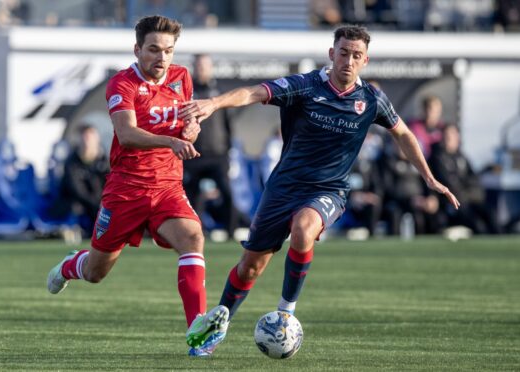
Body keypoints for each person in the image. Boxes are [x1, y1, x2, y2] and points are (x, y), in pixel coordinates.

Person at [179, 25, 460, 355]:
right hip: (283, 187)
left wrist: (427, 176)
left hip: (328, 190)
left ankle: (286, 313)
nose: (349, 61)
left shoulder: (371, 99)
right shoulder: (305, 86)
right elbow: (254, 92)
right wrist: (214, 103)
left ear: (365, 60)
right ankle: (219, 321)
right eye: (343, 53)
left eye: (356, 56)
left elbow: (402, 133)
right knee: (250, 266)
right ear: (332, 53)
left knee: (304, 228)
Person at [46, 15, 228, 357]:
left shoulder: (182, 77)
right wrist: (170, 142)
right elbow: (126, 134)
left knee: (193, 238)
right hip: (126, 190)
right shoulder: (121, 84)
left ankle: (198, 335)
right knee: (97, 271)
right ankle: (72, 265)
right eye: (154, 50)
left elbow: (190, 120)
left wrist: (190, 131)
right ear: (137, 49)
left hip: (167, 187)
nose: (162, 58)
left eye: (169, 51)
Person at [182, 54, 241, 240]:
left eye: (205, 66)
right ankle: (196, 235)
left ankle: (231, 233)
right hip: (194, 155)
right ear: (194, 67)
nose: (202, 69)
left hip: (218, 155)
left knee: (227, 193)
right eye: (199, 66)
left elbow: (228, 125)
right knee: (193, 198)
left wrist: (229, 151)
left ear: (210, 68)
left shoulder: (219, 93)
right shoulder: (186, 92)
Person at [429, 124, 501, 234]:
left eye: (452, 135)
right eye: (447, 135)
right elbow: (449, 183)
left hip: (468, 198)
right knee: (477, 224)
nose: (449, 138)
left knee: (491, 214)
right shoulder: (437, 158)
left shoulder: (461, 157)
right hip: (453, 202)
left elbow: (473, 178)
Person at [54, 124, 109, 237]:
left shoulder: (104, 162)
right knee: (76, 208)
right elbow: (76, 190)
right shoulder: (72, 163)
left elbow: (110, 184)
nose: (87, 142)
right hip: (78, 202)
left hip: (100, 202)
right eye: (85, 138)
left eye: (90, 138)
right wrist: (96, 203)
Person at [408, 95, 446, 159]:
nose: (432, 113)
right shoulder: (413, 127)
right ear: (424, 110)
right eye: (430, 109)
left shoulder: (443, 129)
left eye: (437, 111)